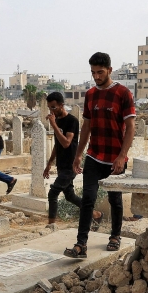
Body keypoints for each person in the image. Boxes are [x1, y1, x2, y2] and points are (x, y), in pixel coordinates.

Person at [64, 52, 135, 259]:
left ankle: (115, 236)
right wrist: (78, 155)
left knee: (115, 200)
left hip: (115, 158)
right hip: (94, 156)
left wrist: (122, 156)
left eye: (100, 72)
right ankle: (81, 244)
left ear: (110, 71)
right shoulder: (91, 94)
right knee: (88, 198)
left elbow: (130, 128)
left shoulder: (123, 93)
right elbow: (86, 126)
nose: (96, 76)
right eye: (93, 72)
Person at [43, 91, 88, 224]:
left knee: (53, 193)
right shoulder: (57, 120)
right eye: (49, 107)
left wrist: (54, 125)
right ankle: (95, 214)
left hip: (71, 165)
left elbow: (66, 143)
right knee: (69, 196)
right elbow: (57, 145)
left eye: (53, 107)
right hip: (61, 165)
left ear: (61, 105)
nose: (51, 110)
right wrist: (50, 163)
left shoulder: (71, 121)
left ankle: (51, 224)